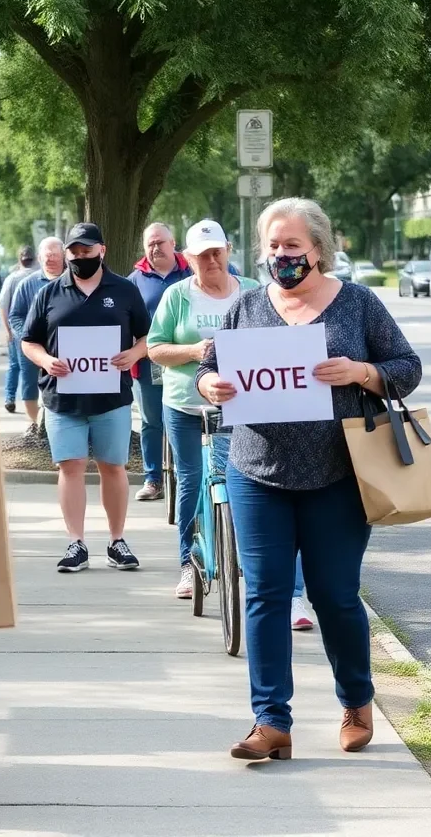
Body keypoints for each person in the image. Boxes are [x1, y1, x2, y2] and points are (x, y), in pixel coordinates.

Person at [196, 197, 422, 761]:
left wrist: (361, 372)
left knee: (334, 595)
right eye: (273, 246)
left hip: (339, 475)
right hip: (256, 471)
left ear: (318, 250)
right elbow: (208, 368)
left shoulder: (358, 305)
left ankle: (355, 702)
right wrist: (210, 388)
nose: (281, 256)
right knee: (265, 594)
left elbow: (407, 368)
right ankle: (271, 722)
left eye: (292, 246)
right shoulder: (246, 307)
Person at [22, 223, 150, 573]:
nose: (80, 257)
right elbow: (28, 341)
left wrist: (135, 354)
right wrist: (46, 359)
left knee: (113, 466)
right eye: (74, 252)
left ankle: (117, 540)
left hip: (111, 397)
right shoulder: (49, 293)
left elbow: (147, 336)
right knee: (71, 466)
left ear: (102, 251)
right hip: (64, 399)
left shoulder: (124, 291)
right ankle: (75, 542)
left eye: (86, 251)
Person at [146, 220, 260, 598]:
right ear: (189, 259)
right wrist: (195, 352)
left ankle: (240, 555)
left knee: (238, 481)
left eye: (217, 252)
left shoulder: (251, 292)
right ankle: (186, 563)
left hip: (237, 405)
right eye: (202, 255)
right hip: (184, 405)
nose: (211, 261)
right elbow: (155, 347)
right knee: (191, 480)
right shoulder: (177, 296)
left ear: (228, 250)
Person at [127, 222, 192, 502]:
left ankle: (187, 474)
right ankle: (153, 479)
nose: (156, 248)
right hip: (148, 363)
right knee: (152, 422)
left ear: (173, 242)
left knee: (189, 418)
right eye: (150, 244)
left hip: (190, 360)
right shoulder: (134, 281)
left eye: (160, 242)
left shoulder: (192, 271)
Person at [9, 236, 65, 428]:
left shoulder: (73, 281)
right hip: (33, 348)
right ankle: (36, 425)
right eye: (46, 256)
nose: (50, 259)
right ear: (39, 258)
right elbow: (15, 315)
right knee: (29, 385)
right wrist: (27, 337)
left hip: (64, 348)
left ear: (64, 256)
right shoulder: (27, 284)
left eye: (55, 255)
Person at [0, 245, 39, 413]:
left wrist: (7, 330)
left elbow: (2, 306)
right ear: (35, 258)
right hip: (38, 333)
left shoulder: (13, 278)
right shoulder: (42, 276)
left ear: (19, 259)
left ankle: (10, 397)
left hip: (18, 331)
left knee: (15, 365)